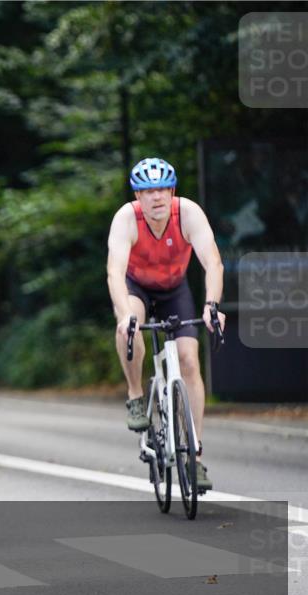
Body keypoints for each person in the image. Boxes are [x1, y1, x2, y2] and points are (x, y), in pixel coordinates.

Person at [106, 157, 226, 491]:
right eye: (148, 191)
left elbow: (213, 263)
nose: (156, 197)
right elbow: (115, 271)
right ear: (137, 196)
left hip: (175, 289)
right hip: (137, 289)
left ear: (172, 191)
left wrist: (211, 305)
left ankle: (196, 458)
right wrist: (125, 313)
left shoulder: (188, 213)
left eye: (162, 189)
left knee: (189, 360)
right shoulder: (126, 219)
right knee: (126, 327)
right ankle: (135, 394)